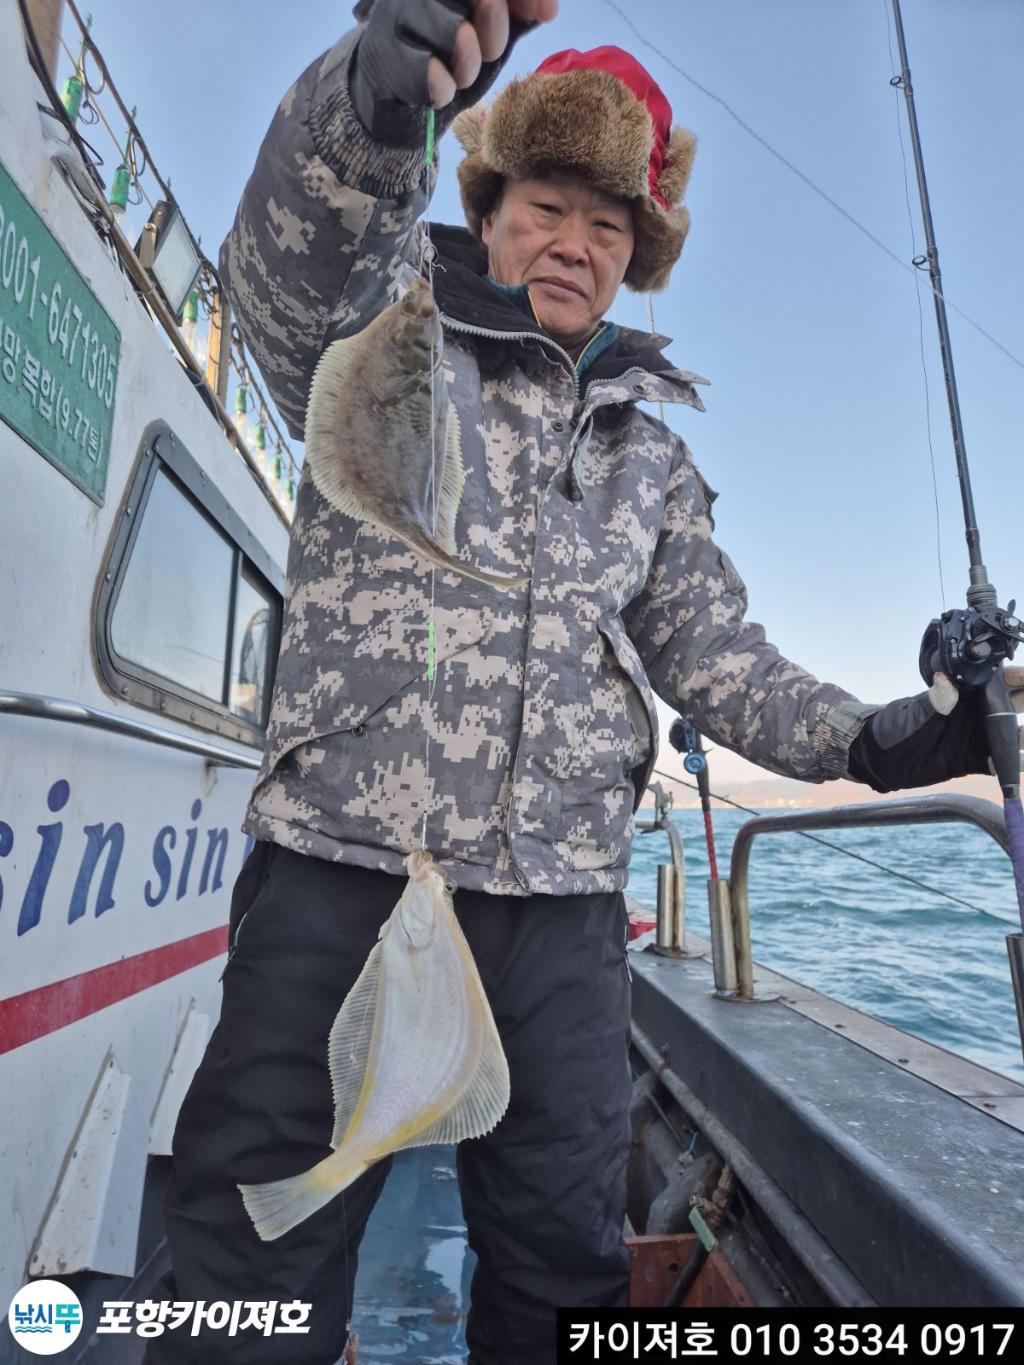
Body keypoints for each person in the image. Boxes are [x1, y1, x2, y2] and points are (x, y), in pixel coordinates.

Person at [151, 2, 1023, 1361]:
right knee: (249, 1245)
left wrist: (890, 738)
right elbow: (292, 260)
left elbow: (722, 661)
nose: (575, 243)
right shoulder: (382, 327)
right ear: (490, 202)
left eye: (608, 229)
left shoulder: (651, 459)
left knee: (564, 1260)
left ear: (635, 260)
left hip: (559, 916)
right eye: (549, 204)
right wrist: (375, 110)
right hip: (342, 868)